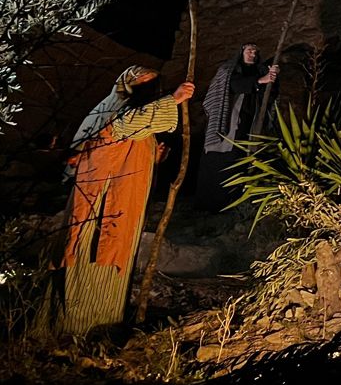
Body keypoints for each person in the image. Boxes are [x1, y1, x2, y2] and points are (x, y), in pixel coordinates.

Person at [46, 65, 194, 335]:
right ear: (126, 86)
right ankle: (74, 326)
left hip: (125, 203)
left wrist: (154, 157)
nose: (148, 92)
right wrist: (173, 100)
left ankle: (106, 320)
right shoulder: (114, 111)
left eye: (153, 86)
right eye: (142, 86)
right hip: (100, 203)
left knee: (117, 250)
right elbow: (125, 127)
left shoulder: (138, 119)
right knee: (92, 249)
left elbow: (133, 144)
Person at [196, 43, 277, 211]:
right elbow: (233, 85)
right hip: (227, 123)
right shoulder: (227, 70)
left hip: (249, 124)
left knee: (242, 160)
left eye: (255, 51)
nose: (252, 54)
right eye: (249, 50)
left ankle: (236, 205)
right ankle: (210, 206)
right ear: (241, 52)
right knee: (221, 161)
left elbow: (267, 94)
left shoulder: (259, 71)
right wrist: (260, 80)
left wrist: (271, 77)